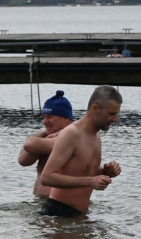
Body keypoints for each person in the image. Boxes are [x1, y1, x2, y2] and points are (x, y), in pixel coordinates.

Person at [39, 85, 122, 217]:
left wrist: (106, 172)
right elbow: (46, 177)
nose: (115, 119)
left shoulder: (96, 135)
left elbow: (82, 172)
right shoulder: (72, 134)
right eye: (111, 114)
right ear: (95, 108)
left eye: (116, 114)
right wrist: (90, 181)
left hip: (79, 214)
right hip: (58, 213)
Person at [18, 90, 74, 198]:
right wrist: (42, 134)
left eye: (49, 116)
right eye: (44, 117)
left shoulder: (71, 138)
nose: (45, 121)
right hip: (40, 201)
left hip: (58, 203)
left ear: (66, 119)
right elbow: (23, 161)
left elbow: (29, 144)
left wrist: (41, 136)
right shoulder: (46, 138)